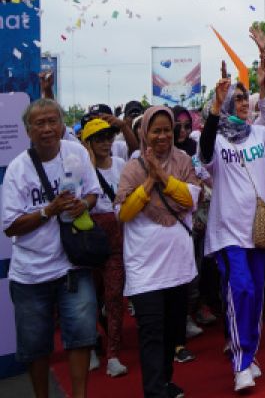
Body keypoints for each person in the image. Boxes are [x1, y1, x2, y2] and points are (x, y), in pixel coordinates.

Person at [199, 66, 265, 391]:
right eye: (237, 99)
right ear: (225, 104)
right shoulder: (214, 141)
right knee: (240, 288)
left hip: (259, 230)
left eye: (245, 98)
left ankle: (250, 353)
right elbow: (203, 151)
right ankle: (240, 362)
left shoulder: (258, 133)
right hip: (228, 231)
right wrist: (214, 110)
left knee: (255, 294)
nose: (244, 103)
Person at [3, 98, 101, 398]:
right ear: (28, 131)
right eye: (39, 123)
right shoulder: (17, 170)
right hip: (30, 274)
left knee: (81, 338)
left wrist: (81, 204)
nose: (47, 129)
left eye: (52, 121)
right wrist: (49, 210)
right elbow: (10, 225)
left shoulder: (77, 154)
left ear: (61, 125)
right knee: (36, 348)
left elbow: (94, 193)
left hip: (72, 264)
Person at [116, 105, 203, 398]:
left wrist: (164, 178)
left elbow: (190, 199)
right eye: (157, 130)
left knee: (173, 332)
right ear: (145, 133)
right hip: (146, 270)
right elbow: (124, 213)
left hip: (178, 266)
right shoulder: (132, 168)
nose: (163, 136)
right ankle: (154, 391)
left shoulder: (183, 161)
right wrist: (150, 181)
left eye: (168, 130)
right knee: (152, 333)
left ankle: (164, 381)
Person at [81, 115, 130, 378]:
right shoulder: (81, 168)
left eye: (108, 137)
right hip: (89, 240)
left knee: (114, 298)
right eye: (98, 138)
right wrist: (87, 162)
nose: (105, 142)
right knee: (88, 300)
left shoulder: (121, 163)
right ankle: (89, 347)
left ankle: (113, 354)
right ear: (87, 143)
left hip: (116, 238)